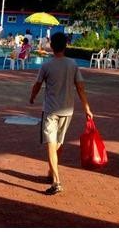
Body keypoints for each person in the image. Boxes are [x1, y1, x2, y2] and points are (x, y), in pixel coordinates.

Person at [29, 31, 93, 196]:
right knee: (58, 142)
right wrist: (86, 107)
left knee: (51, 143)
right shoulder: (72, 64)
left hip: (51, 110)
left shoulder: (47, 66)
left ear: (51, 46)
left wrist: (32, 97)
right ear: (66, 46)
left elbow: (37, 84)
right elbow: (80, 87)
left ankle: (56, 180)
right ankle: (51, 172)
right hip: (67, 111)